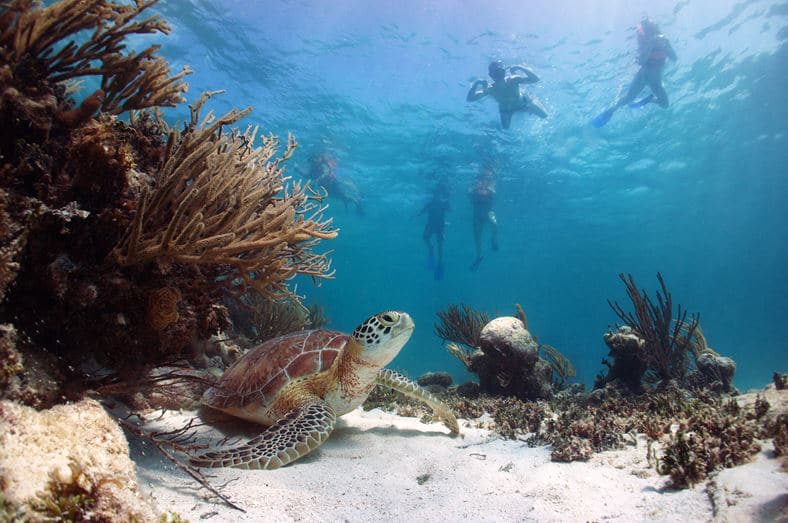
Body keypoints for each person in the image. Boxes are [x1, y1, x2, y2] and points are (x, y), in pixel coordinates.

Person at [592, 18, 677, 128]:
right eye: (648, 32)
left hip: (656, 80)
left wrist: (665, 45)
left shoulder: (664, 41)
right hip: (644, 75)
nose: (651, 34)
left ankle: (650, 99)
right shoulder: (645, 43)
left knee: (665, 104)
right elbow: (641, 61)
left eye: (652, 30)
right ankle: (610, 111)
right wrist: (650, 45)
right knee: (629, 98)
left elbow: (674, 58)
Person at [466, 60, 548, 129]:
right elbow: (470, 99)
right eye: (495, 73)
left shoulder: (512, 80)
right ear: (491, 75)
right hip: (507, 111)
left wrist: (520, 67)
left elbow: (536, 79)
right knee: (505, 129)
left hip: (524, 103)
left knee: (545, 116)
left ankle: (529, 107)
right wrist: (476, 83)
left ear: (504, 71)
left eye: (499, 71)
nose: (498, 74)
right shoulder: (490, 89)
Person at [418, 177, 450, 280]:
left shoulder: (444, 203)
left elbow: (449, 210)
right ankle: (431, 250)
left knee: (440, 244)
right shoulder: (431, 203)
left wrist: (446, 222)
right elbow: (422, 211)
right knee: (425, 238)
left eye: (440, 193)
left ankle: (440, 262)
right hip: (431, 224)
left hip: (440, 225)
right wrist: (416, 216)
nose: (437, 195)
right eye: (436, 193)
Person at [468, 166, 499, 271]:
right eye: (481, 178)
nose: (483, 180)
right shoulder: (473, 186)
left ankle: (494, 238)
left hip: (489, 212)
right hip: (477, 215)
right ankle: (479, 255)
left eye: (486, 178)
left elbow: (494, 194)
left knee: (494, 225)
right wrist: (475, 190)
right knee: (477, 237)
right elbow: (469, 196)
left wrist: (488, 190)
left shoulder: (491, 185)